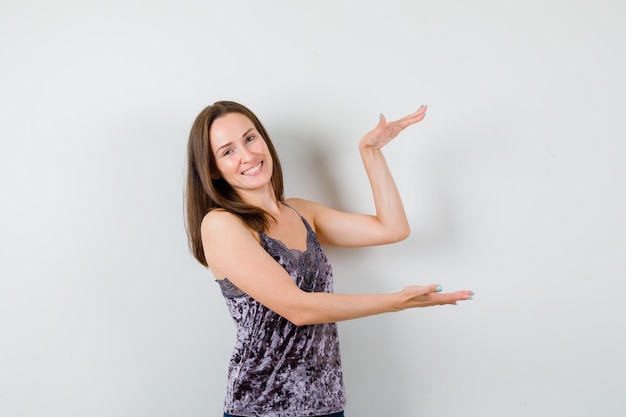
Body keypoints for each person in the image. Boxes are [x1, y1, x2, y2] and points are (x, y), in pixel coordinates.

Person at [185, 101, 473, 417]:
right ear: (212, 168)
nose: (248, 155)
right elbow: (298, 308)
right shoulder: (221, 224)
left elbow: (393, 227)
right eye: (228, 151)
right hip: (262, 409)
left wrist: (371, 153)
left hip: (327, 404)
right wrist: (396, 301)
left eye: (250, 138)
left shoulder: (301, 211)